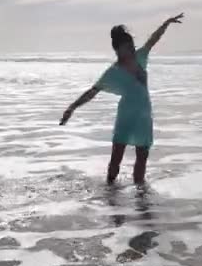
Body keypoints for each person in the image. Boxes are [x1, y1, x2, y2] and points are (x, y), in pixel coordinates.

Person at [60, 13, 184, 185]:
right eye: (127, 46)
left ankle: (140, 196)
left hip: (144, 116)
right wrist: (72, 108)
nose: (132, 48)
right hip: (126, 116)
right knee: (116, 157)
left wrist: (167, 23)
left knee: (142, 157)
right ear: (118, 49)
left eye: (131, 45)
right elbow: (93, 91)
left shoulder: (140, 57)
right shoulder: (113, 72)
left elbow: (153, 39)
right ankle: (110, 190)